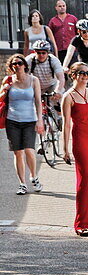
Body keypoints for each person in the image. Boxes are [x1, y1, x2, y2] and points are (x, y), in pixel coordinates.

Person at [61, 62, 88, 235]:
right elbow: (66, 125)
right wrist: (65, 149)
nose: (85, 76)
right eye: (81, 73)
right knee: (85, 180)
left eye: (87, 73)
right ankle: (82, 223)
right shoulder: (68, 97)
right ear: (73, 75)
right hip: (81, 141)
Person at [2, 54, 44, 195]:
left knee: (29, 151)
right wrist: (5, 90)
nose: (17, 66)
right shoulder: (8, 80)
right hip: (12, 120)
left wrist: (40, 120)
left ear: (25, 65)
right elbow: (1, 98)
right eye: (14, 64)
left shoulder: (33, 80)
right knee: (18, 153)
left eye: (19, 63)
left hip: (30, 120)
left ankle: (34, 176)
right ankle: (22, 183)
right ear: (11, 67)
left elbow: (38, 101)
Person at [25, 40, 65, 110]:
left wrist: (57, 91)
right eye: (38, 53)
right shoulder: (29, 60)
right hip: (37, 86)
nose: (41, 55)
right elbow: (24, 76)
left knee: (59, 98)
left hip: (52, 85)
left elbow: (61, 78)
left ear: (48, 53)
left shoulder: (53, 60)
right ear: (34, 52)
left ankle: (60, 116)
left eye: (43, 53)